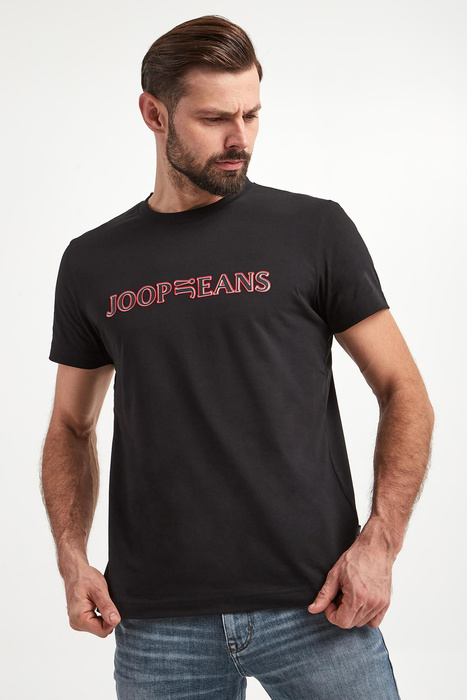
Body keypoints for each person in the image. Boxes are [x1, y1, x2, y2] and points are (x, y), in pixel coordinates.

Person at [40, 14, 434, 700]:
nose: (239, 139)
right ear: (153, 114)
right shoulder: (91, 262)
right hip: (158, 625)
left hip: (319, 607)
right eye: (215, 118)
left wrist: (380, 543)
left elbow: (404, 389)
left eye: (252, 114)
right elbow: (71, 426)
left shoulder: (314, 230)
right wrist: (71, 560)